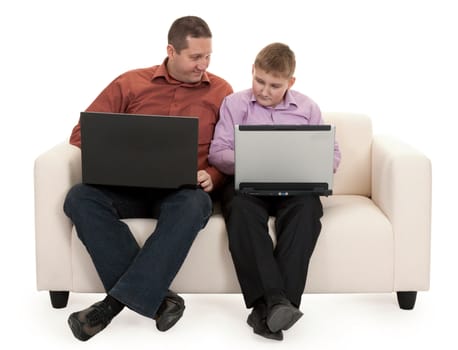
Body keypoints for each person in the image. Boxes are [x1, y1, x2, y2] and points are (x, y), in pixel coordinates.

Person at [63, 16, 233, 341]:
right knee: (79, 197)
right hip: (128, 187)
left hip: (182, 193)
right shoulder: (130, 83)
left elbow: (231, 148)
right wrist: (124, 147)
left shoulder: (221, 91)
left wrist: (213, 175)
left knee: (196, 203)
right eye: (195, 57)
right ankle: (161, 301)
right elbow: (80, 133)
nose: (204, 65)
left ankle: (109, 307)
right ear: (171, 50)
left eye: (208, 56)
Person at [208, 42, 341, 341]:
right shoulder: (234, 104)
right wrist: (254, 160)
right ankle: (278, 304)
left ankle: (268, 310)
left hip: (294, 187)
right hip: (247, 185)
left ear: (290, 82)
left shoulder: (307, 108)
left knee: (307, 212)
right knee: (240, 211)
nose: (264, 90)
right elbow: (218, 152)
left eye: (274, 85)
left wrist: (313, 165)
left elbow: (332, 154)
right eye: (259, 81)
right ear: (252, 72)